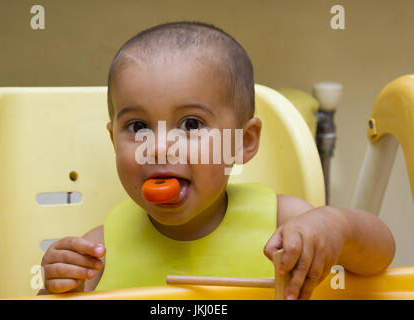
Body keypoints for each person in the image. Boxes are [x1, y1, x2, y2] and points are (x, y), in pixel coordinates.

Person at [39, 21, 395, 300]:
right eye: (137, 126)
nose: (160, 147)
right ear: (113, 139)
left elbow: (381, 256)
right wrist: (56, 287)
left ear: (242, 142)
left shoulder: (285, 224)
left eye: (191, 124)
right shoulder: (99, 250)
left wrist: (337, 227)